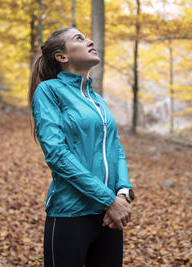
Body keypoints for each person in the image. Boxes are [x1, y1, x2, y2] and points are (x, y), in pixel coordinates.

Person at [28, 27, 135, 267]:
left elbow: (115, 147)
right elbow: (57, 155)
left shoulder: (96, 99)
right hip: (70, 215)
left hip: (109, 218)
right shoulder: (49, 91)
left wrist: (124, 192)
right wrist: (108, 199)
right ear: (61, 57)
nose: (90, 40)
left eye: (87, 36)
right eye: (79, 38)